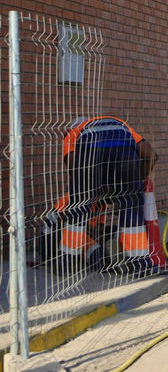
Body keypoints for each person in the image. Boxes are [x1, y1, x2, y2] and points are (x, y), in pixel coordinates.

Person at [54, 116, 158, 273]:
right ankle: (139, 264)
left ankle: (66, 264)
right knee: (131, 206)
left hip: (90, 156)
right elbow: (151, 155)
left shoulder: (73, 133)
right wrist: (137, 182)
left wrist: (90, 191)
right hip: (126, 158)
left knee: (78, 207)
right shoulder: (121, 124)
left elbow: (74, 169)